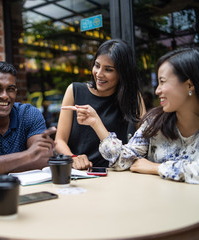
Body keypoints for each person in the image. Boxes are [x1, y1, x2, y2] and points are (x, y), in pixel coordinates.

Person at [75, 48, 199, 184]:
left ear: (189, 85)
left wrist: (156, 168)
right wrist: (95, 123)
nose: (157, 91)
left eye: (163, 82)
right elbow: (123, 160)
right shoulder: (155, 123)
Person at [56, 39, 145, 170]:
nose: (99, 74)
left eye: (108, 69)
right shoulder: (75, 91)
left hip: (118, 174)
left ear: (122, 73)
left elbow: (145, 140)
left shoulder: (133, 98)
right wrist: (73, 158)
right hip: (81, 174)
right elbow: (59, 141)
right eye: (97, 66)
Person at [0, 61, 56, 181]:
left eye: (10, 89)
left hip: (28, 191)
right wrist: (28, 156)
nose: (4, 96)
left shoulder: (28, 114)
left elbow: (43, 158)